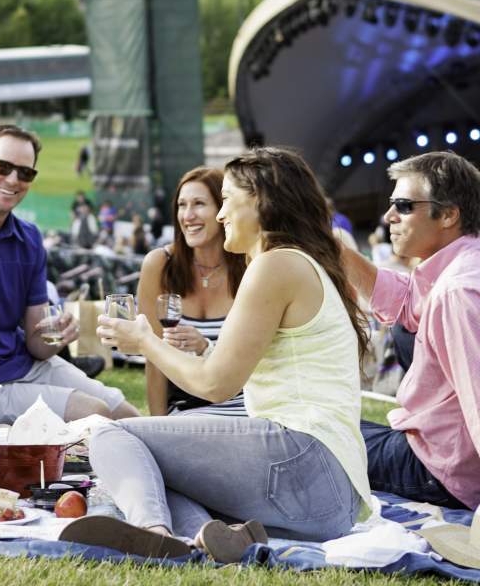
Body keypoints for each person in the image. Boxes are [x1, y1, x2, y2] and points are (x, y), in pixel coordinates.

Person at [61, 147, 372, 562]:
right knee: (151, 464)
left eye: (226, 199)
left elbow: (215, 384)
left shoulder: (275, 265)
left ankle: (149, 530)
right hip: (331, 495)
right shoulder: (302, 263)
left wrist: (145, 341)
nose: (221, 214)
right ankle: (205, 538)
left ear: (261, 200)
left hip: (301, 461)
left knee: (109, 433)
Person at [0, 125, 139, 424]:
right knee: (96, 413)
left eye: (25, 173)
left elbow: (37, 345)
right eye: (2, 167)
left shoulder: (29, 238)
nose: (13, 180)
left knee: (127, 416)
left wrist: (58, 336)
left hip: (23, 365)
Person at [340, 150, 480, 510]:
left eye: (403, 205)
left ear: (449, 214)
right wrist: (340, 253)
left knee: (315, 435)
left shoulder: (457, 292)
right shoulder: (464, 262)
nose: (389, 217)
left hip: (445, 471)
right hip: (449, 449)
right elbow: (406, 307)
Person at [140, 166, 246, 416]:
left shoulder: (250, 266)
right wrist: (159, 427)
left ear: (223, 211)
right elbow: (153, 360)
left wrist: (204, 347)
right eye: (181, 205)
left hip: (244, 411)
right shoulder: (159, 265)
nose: (188, 216)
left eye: (199, 204)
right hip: (186, 412)